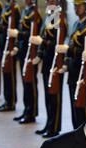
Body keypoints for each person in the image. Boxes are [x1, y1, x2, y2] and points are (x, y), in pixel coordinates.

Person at [56, 0, 86, 129]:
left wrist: (68, 50)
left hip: (82, 71)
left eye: (79, 5)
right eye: (75, 5)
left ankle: (84, 136)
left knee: (82, 106)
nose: (76, 8)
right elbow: (73, 47)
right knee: (74, 104)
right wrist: (66, 64)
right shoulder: (76, 24)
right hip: (74, 71)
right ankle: (76, 134)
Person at [33, 0, 66, 138]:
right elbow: (45, 36)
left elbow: (57, 42)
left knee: (54, 97)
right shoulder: (50, 15)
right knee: (48, 96)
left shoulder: (58, 16)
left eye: (51, 0)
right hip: (47, 61)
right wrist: (39, 55)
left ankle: (54, 127)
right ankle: (49, 123)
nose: (48, 2)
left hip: (55, 62)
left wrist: (43, 42)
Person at [12, 0, 41, 124]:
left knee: (31, 82)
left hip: (31, 51)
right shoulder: (25, 10)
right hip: (24, 50)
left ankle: (31, 112)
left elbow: (33, 34)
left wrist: (18, 34)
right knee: (25, 82)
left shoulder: (36, 14)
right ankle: (26, 109)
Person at [0, 0, 20, 112]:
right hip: (3, 44)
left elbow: (16, 27)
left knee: (10, 74)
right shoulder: (6, 7)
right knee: (5, 74)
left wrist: (15, 45)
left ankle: (11, 102)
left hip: (9, 45)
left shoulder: (16, 8)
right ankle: (6, 100)